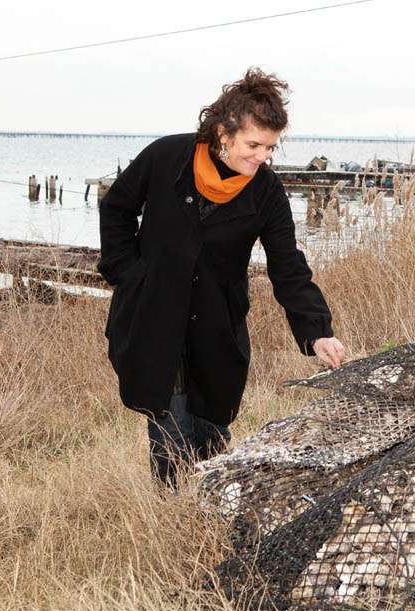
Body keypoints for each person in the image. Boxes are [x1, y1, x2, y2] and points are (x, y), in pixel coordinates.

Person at [97, 68, 345, 489]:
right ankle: (175, 515)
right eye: (253, 144)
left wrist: (316, 330)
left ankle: (209, 509)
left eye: (269, 147)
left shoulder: (265, 192)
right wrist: (129, 273)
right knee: (170, 435)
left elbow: (288, 265)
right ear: (223, 133)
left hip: (217, 326)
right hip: (154, 317)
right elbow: (116, 209)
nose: (262, 156)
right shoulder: (166, 158)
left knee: (210, 437)